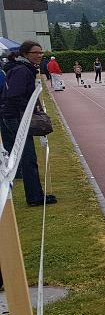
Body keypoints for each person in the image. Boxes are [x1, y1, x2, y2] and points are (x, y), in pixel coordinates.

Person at [0, 40, 57, 206]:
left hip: (13, 116)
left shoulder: (23, 69)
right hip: (16, 118)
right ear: (25, 54)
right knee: (28, 156)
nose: (39, 55)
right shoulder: (21, 70)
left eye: (41, 52)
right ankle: (34, 197)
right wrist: (30, 109)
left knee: (25, 155)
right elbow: (14, 95)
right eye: (35, 53)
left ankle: (35, 194)